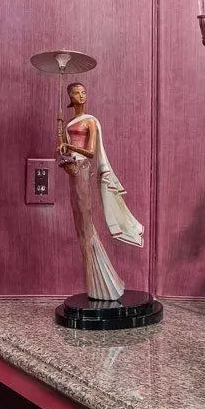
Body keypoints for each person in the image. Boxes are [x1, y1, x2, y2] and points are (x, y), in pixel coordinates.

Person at [55, 82, 144, 302]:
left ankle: (102, 283)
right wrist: (60, 134)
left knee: (85, 221)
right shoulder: (69, 122)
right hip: (72, 168)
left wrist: (69, 147)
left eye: (83, 92)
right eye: (76, 93)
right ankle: (95, 282)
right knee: (79, 221)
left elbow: (90, 152)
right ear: (70, 96)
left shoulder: (91, 121)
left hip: (83, 168)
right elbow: (62, 147)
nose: (81, 95)